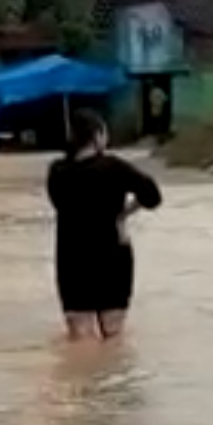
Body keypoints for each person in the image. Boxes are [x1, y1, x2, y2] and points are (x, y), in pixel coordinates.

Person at [47, 108, 162, 341]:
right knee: (114, 338)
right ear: (97, 136)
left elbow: (63, 207)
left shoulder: (57, 172)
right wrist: (122, 215)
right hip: (112, 254)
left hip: (72, 260)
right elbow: (152, 196)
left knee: (81, 341)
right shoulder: (114, 167)